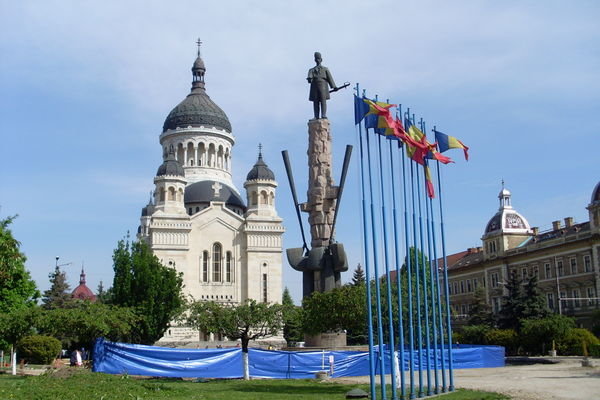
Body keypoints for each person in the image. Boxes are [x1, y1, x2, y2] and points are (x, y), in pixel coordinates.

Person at [307, 52, 337, 119]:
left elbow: (330, 78)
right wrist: (309, 79)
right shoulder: (311, 70)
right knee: (316, 101)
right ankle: (316, 116)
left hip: (323, 85)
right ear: (315, 60)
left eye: (319, 59)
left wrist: (334, 86)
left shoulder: (325, 69)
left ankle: (323, 114)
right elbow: (310, 79)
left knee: (323, 100)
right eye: (316, 59)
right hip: (314, 85)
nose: (317, 60)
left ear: (321, 59)